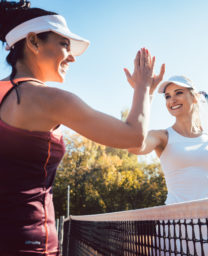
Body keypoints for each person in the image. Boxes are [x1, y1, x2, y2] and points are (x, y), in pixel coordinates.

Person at [0, 2, 165, 255]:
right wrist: (144, 88)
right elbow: (133, 136)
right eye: (64, 44)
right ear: (33, 41)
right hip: (29, 244)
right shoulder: (52, 100)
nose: (73, 56)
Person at [128, 75, 208, 255]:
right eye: (167, 96)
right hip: (175, 226)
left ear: (194, 97)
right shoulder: (162, 136)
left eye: (178, 93)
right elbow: (133, 145)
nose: (172, 100)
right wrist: (143, 94)